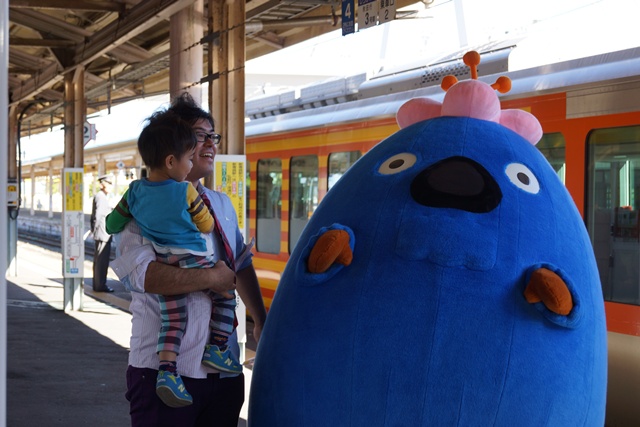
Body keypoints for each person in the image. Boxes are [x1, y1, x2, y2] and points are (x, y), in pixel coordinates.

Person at [109, 92, 267, 426]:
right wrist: (212, 279)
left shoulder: (221, 204)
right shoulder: (140, 203)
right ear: (174, 147)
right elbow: (145, 277)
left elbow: (241, 263)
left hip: (223, 373)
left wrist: (261, 319)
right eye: (200, 136)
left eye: (214, 136)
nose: (211, 144)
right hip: (162, 372)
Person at [90, 174, 114, 293]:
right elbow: (98, 216)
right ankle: (100, 285)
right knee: (101, 261)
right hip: (103, 234)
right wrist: (96, 230)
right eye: (108, 184)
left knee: (99, 261)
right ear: (102, 184)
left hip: (101, 233)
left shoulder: (100, 196)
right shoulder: (101, 197)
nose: (110, 186)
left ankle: (97, 284)